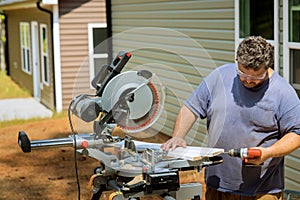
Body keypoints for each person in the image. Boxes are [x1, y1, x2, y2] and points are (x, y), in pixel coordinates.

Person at [161, 36, 300, 200]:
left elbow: (297, 133)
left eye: (256, 77)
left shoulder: (283, 92)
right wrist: (178, 136)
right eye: (242, 73)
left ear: (267, 67)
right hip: (218, 184)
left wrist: (267, 153)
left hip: (262, 190)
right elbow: (190, 108)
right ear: (237, 62)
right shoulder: (219, 76)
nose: (248, 80)